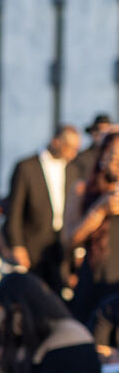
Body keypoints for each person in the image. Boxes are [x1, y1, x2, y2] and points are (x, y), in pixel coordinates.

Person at [5, 125, 81, 293]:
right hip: (33, 243)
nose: (74, 153)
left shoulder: (74, 169)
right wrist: (17, 245)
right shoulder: (26, 167)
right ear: (56, 142)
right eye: (71, 148)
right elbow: (15, 210)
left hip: (61, 243)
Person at [63, 132, 119, 325]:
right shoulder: (82, 189)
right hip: (94, 278)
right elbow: (68, 239)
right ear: (102, 157)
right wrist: (100, 209)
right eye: (113, 156)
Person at [72, 113, 113, 182]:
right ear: (92, 132)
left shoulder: (115, 157)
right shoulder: (81, 158)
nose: (101, 134)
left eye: (105, 131)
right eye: (97, 130)